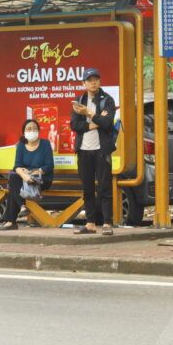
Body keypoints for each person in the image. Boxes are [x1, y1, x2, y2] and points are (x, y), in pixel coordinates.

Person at [71, 68, 117, 236]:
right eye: (89, 80)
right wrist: (92, 123)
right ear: (84, 83)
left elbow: (107, 123)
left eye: (96, 79)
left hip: (101, 151)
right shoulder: (79, 100)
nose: (93, 82)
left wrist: (89, 113)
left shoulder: (107, 100)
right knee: (87, 188)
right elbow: (74, 125)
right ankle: (90, 223)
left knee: (105, 187)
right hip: (83, 150)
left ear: (99, 81)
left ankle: (107, 223)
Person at [0, 119, 54, 231]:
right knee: (13, 176)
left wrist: (33, 173)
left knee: (13, 188)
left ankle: (11, 221)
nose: (32, 130)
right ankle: (22, 207)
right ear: (24, 132)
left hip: (41, 179)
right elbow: (17, 166)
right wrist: (25, 176)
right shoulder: (21, 145)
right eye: (29, 129)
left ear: (38, 131)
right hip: (25, 179)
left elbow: (49, 166)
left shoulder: (45, 144)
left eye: (34, 128)